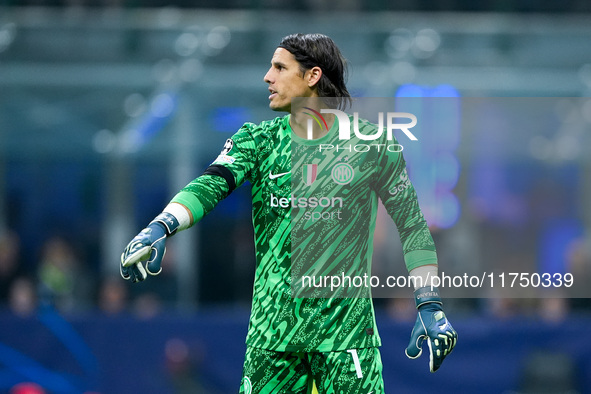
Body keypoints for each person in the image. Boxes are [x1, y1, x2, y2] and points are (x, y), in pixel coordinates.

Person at [120, 33, 457, 393]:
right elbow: (208, 185)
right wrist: (161, 225)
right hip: (272, 340)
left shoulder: (372, 146)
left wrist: (430, 303)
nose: (268, 77)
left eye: (280, 68)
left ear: (312, 76)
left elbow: (412, 227)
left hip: (347, 341)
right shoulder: (257, 140)